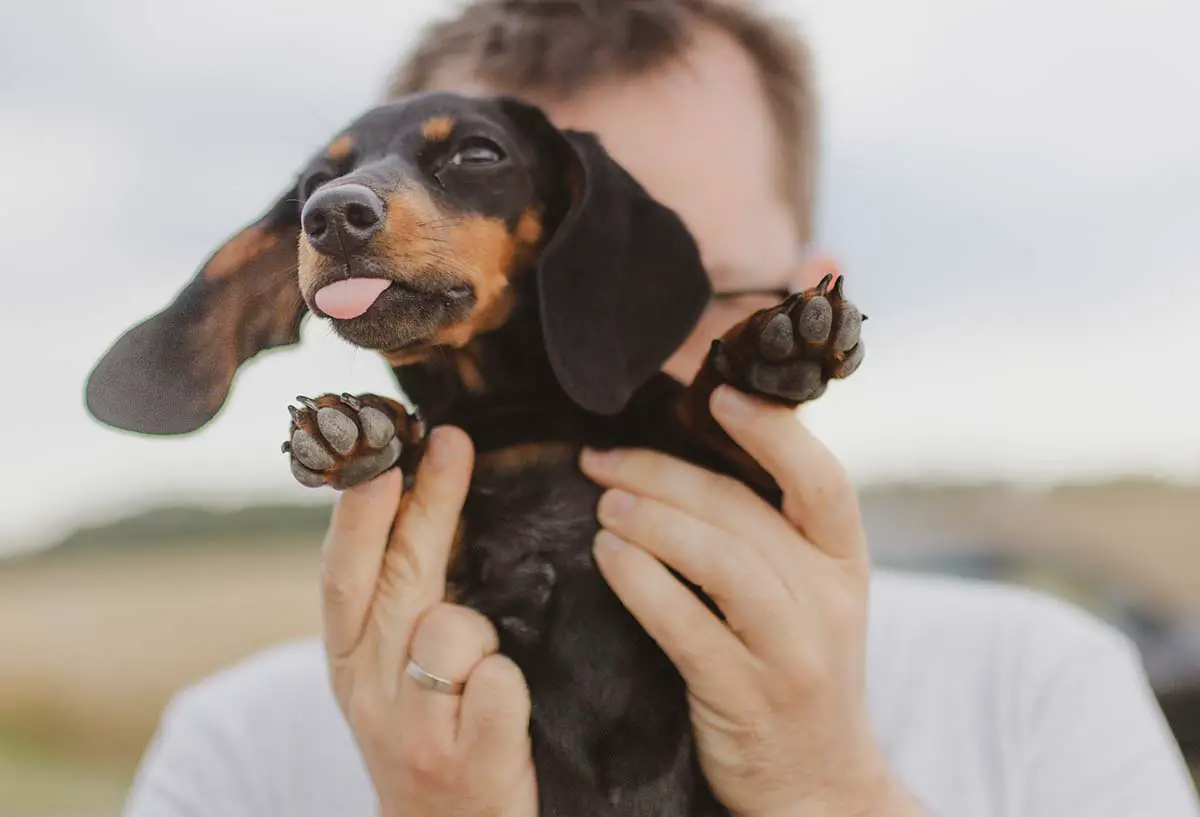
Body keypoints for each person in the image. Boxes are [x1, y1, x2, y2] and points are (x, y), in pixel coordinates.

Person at [122, 2, 1200, 815]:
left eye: (668, 290)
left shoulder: (1040, 688)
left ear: (804, 301)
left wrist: (827, 787)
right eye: (544, 304)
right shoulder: (235, 755)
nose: (600, 352)